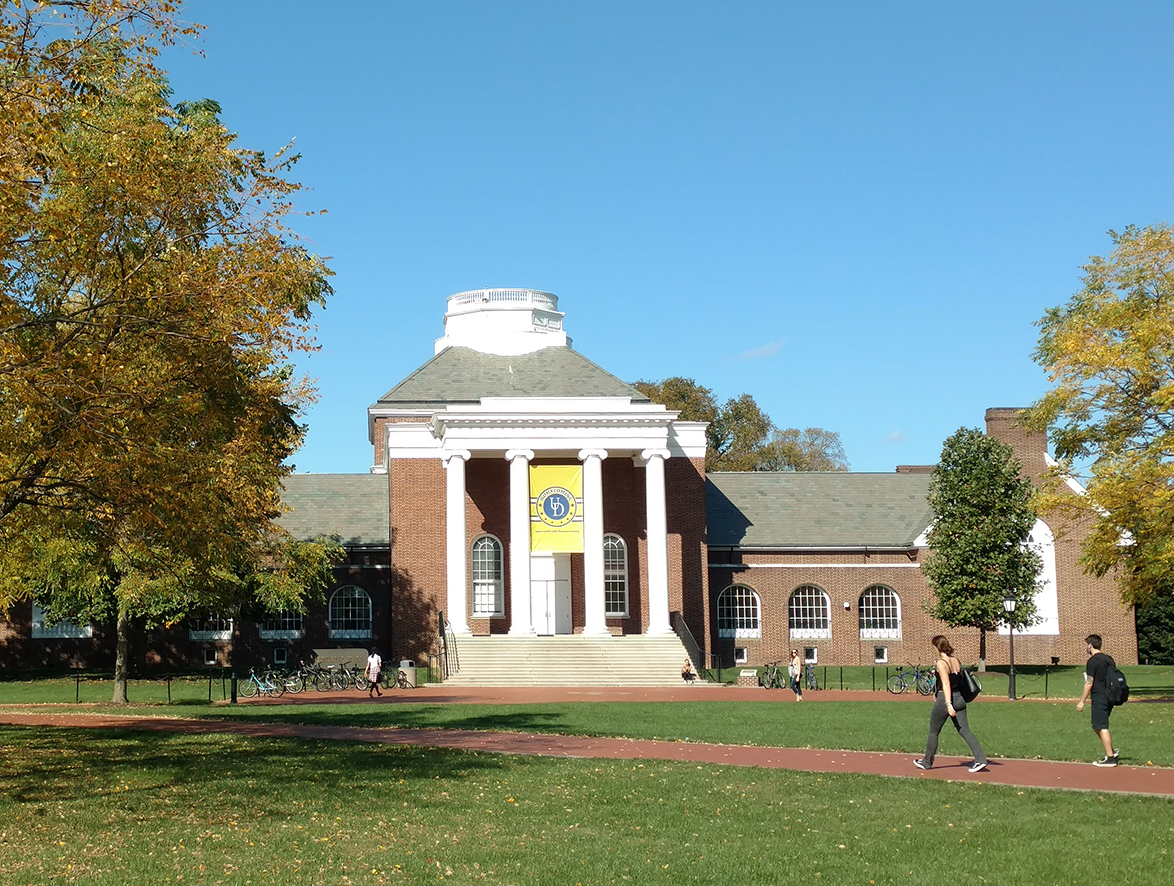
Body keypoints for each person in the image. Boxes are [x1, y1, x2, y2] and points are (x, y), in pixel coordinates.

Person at [913, 635, 988, 773]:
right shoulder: (955, 661)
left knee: (933, 731)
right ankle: (981, 759)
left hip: (946, 699)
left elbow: (947, 684)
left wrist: (948, 704)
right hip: (960, 698)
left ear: (937, 647)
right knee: (965, 730)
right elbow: (954, 678)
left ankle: (926, 762)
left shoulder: (941, 663)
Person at [1077, 634, 1119, 767]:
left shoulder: (1092, 661)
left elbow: (1089, 682)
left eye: (1086, 645)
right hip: (1111, 695)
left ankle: (1110, 758)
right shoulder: (1109, 659)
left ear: (1090, 645)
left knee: (1101, 726)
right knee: (1096, 725)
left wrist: (1081, 701)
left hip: (1100, 696)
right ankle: (1110, 751)